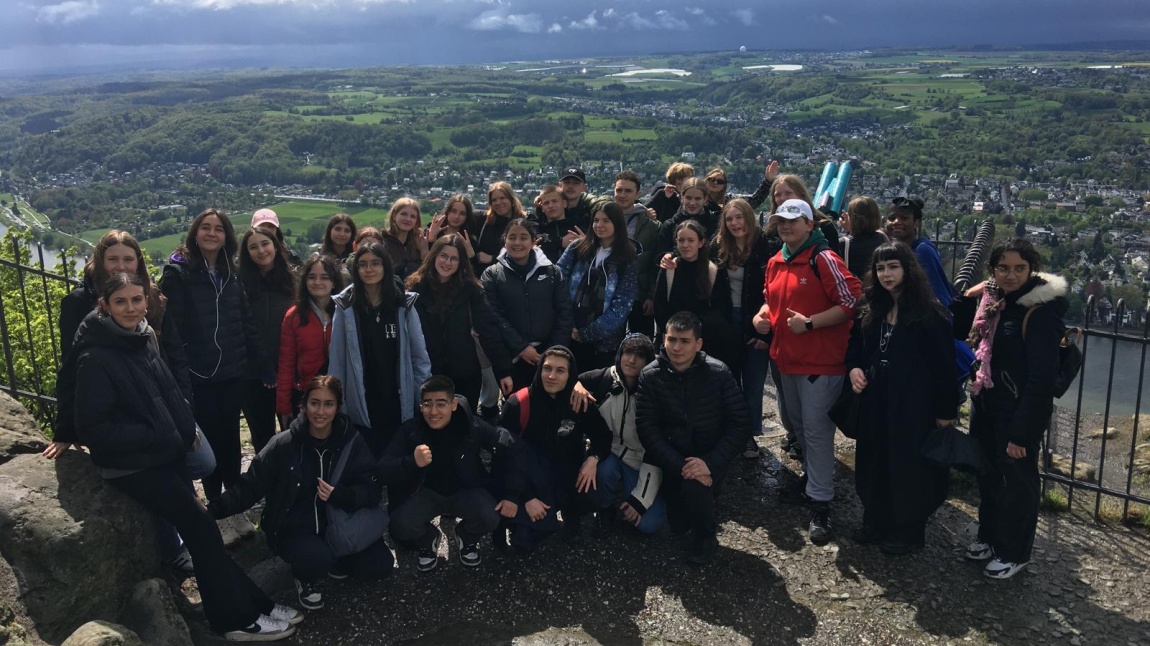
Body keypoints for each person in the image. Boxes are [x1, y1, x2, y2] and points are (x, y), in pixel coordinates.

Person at [73, 272, 299, 641]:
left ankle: (255, 604)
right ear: (104, 306)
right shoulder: (97, 357)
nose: (130, 308)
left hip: (162, 456)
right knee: (200, 528)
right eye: (120, 301)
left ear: (146, 301)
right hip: (133, 466)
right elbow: (94, 429)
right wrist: (157, 435)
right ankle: (233, 620)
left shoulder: (142, 339)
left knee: (204, 530)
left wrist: (177, 432)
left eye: (136, 299)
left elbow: (166, 395)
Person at [209, 375, 393, 611]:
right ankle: (305, 576)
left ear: (337, 407)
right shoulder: (283, 444)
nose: (321, 411)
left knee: (380, 565)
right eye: (315, 403)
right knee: (317, 559)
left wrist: (343, 495)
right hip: (296, 528)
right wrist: (212, 510)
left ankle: (337, 560)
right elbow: (250, 486)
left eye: (329, 404)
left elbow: (371, 487)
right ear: (304, 405)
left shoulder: (351, 441)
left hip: (341, 523)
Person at [752, 198, 861, 546]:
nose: (786, 227)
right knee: (799, 428)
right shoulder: (777, 260)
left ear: (809, 225)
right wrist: (762, 315)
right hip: (787, 359)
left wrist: (811, 324)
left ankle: (820, 504)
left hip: (819, 362)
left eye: (793, 221)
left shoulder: (823, 258)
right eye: (781, 221)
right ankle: (814, 484)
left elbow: (852, 302)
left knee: (815, 433)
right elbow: (771, 299)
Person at [956, 238, 1067, 579]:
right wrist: (968, 297)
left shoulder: (1040, 312)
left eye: (1020, 268)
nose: (1011, 275)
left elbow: (1042, 380)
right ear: (993, 269)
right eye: (1003, 267)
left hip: (1016, 410)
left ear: (1032, 269)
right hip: (987, 401)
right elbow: (964, 334)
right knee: (988, 474)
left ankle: (1015, 550)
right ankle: (989, 536)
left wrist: (1022, 432)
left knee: (1017, 482)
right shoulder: (995, 301)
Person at [846, 242, 959, 555]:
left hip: (913, 404)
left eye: (893, 266)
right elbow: (855, 345)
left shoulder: (930, 314)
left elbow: (944, 367)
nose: (887, 274)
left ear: (908, 270)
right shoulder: (870, 306)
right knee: (873, 459)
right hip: (876, 397)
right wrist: (854, 367)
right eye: (881, 268)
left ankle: (908, 531)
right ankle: (876, 521)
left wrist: (945, 411)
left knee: (908, 465)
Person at [160, 208, 261, 545]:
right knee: (209, 446)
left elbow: (244, 321)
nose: (212, 234)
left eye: (219, 229)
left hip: (231, 373)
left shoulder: (231, 275)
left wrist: (253, 362)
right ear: (195, 232)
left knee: (231, 443)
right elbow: (169, 329)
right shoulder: (179, 273)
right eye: (206, 227)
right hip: (198, 375)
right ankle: (216, 511)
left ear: (227, 236)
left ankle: (233, 508)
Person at [636, 312, 752, 565]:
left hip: (710, 456)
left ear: (698, 344)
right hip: (671, 457)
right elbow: (647, 428)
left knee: (696, 489)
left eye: (685, 341)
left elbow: (740, 423)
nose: (676, 347)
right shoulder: (650, 376)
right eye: (671, 339)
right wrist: (680, 465)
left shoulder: (718, 373)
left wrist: (709, 463)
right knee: (677, 523)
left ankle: (706, 535)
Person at [382, 376, 525, 570]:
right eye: (427, 404)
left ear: (454, 404)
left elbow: (511, 446)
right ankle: (429, 539)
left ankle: (466, 537)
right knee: (400, 524)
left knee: (490, 516)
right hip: (426, 493)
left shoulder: (471, 426)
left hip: (465, 490)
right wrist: (411, 462)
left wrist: (512, 495)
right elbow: (383, 469)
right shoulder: (410, 430)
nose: (433, 411)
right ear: (420, 406)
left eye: (441, 404)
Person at [495, 346, 611, 550]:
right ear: (538, 370)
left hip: (566, 472)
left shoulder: (579, 401)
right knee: (524, 544)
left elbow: (603, 437)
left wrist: (593, 458)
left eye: (560, 370)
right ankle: (520, 521)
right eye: (547, 368)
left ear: (570, 375)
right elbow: (503, 457)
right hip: (529, 477)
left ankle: (571, 513)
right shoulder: (517, 404)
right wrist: (526, 497)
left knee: (593, 492)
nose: (551, 376)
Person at [328, 242, 431, 456]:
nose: (369, 269)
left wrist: (422, 396)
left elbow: (419, 356)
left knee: (396, 455)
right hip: (362, 395)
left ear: (385, 266)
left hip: (398, 393)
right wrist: (339, 403)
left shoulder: (403, 303)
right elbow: (337, 361)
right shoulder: (345, 306)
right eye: (363, 264)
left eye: (375, 263)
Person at [570, 333, 665, 535]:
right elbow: (567, 378)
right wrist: (576, 385)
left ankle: (632, 498)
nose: (631, 360)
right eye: (627, 353)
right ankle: (606, 507)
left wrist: (641, 500)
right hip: (608, 451)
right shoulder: (603, 379)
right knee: (602, 472)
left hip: (642, 460)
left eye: (639, 355)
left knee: (649, 524)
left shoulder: (656, 391)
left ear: (649, 361)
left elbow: (657, 450)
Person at [405, 234, 513, 410]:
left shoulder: (471, 290)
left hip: (464, 373)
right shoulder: (414, 289)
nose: (447, 263)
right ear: (434, 256)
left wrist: (503, 371)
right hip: (426, 373)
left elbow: (488, 330)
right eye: (443, 256)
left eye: (454, 258)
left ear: (461, 262)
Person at [712, 199, 780, 457]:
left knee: (753, 383)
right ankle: (730, 433)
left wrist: (767, 332)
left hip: (758, 319)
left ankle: (750, 435)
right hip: (727, 319)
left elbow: (775, 293)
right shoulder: (717, 247)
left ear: (749, 219)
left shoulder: (768, 247)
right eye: (729, 219)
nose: (735, 224)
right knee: (729, 380)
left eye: (739, 217)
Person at [481, 218, 574, 391]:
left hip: (548, 358)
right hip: (512, 357)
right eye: (512, 237)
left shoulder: (552, 272)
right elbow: (493, 317)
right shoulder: (492, 275)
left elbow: (564, 314)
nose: (517, 242)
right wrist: (521, 347)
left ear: (533, 241)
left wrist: (552, 354)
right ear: (505, 240)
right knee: (518, 410)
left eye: (523, 237)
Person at [557, 202, 639, 372]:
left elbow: (622, 304)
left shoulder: (627, 257)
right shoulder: (578, 248)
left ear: (617, 223)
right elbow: (558, 282)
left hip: (605, 343)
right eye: (596, 220)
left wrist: (587, 334)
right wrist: (569, 325)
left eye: (606, 221)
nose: (599, 225)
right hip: (569, 334)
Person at [238, 224, 297, 453]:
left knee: (291, 430)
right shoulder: (240, 284)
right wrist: (263, 366)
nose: (261, 251)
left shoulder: (291, 280)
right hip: (253, 375)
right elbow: (245, 327)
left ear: (275, 245)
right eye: (253, 247)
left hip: (288, 371)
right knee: (262, 436)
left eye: (265, 243)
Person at [277, 254, 346, 427]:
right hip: (305, 395)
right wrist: (283, 406)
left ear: (334, 282)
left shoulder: (346, 313)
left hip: (340, 394)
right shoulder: (293, 316)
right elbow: (286, 363)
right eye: (312, 277)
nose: (317, 282)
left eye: (324, 277)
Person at [615, 170, 660, 338]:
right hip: (610, 295)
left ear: (638, 193)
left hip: (639, 296)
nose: (622, 195)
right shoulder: (603, 218)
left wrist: (651, 296)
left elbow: (655, 263)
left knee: (641, 346)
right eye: (619, 190)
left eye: (628, 191)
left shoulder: (651, 225)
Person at [885, 196, 952, 309]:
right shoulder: (894, 251)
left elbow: (938, 295)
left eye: (904, 218)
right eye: (892, 218)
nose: (896, 222)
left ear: (916, 223)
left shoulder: (922, 251)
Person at [473, 181, 526, 274]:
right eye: (494, 200)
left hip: (513, 280)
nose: (498, 203)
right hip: (484, 279)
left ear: (511, 199)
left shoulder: (524, 223)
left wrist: (492, 259)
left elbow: (525, 257)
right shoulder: (484, 221)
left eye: (502, 198)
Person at [657, 178, 717, 254]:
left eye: (697, 199)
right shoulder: (669, 225)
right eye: (688, 198)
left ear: (705, 199)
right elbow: (658, 256)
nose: (692, 203)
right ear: (682, 197)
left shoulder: (714, 224)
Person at [840, 196, 889, 281]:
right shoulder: (882, 238)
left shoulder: (843, 243)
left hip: (856, 291)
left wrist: (850, 231)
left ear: (852, 218)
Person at [382, 197, 429, 280]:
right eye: (404, 214)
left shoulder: (418, 244)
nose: (408, 219)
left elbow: (426, 275)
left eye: (413, 216)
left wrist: (424, 253)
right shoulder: (383, 242)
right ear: (394, 216)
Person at [533, 184, 582, 263]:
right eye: (546, 203)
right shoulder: (538, 228)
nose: (551, 206)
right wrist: (560, 241)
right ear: (541, 208)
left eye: (555, 201)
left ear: (564, 203)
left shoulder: (577, 226)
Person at [426, 195, 478, 261]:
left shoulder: (469, 242)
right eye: (453, 211)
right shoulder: (431, 231)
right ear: (447, 212)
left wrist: (471, 257)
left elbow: (474, 270)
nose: (456, 216)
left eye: (462, 214)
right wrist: (430, 241)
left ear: (467, 217)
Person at [558, 166, 602, 232]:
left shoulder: (591, 212)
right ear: (560, 186)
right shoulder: (552, 208)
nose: (570, 186)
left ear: (584, 187)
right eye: (567, 182)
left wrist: (586, 241)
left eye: (576, 183)